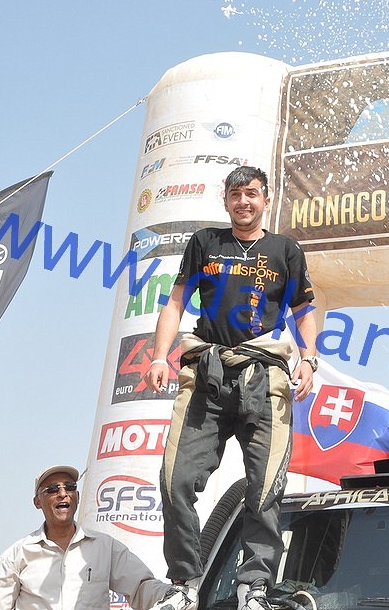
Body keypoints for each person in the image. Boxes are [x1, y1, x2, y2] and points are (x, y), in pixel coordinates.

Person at [143, 165, 318, 610]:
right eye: (236, 194)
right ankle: (184, 584)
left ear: (266, 199)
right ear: (226, 200)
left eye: (252, 194)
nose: (244, 201)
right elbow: (177, 300)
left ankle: (253, 586)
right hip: (207, 372)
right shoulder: (205, 242)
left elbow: (303, 310)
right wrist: (160, 356)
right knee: (175, 480)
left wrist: (310, 359)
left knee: (265, 486)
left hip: (266, 376)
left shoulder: (286, 249)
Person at [0, 464, 170, 610]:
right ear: (37, 502)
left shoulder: (105, 548)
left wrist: (178, 596)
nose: (62, 493)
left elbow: (141, 588)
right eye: (52, 489)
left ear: (78, 496)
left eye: (69, 487)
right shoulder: (14, 558)